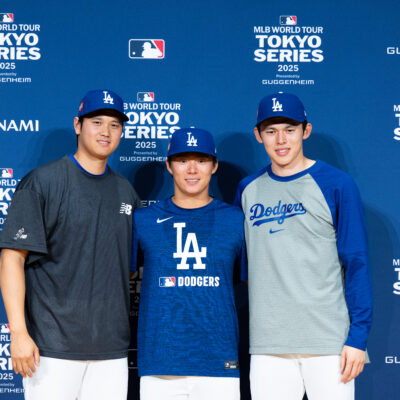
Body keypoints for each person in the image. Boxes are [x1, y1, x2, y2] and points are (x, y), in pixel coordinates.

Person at [0, 89, 141, 400]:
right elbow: (12, 257)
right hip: (51, 348)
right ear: (78, 125)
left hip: (111, 349)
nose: (106, 131)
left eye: (115, 125)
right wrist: (19, 334)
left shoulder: (125, 192)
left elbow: (128, 271)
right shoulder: (43, 182)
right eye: (97, 121)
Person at [234, 93, 372, 400]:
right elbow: (244, 268)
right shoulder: (247, 190)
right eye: (271, 131)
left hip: (329, 345)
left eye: (290, 129)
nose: (281, 139)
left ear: (305, 131)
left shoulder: (337, 184)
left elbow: (357, 263)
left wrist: (358, 337)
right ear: (258, 136)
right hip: (269, 347)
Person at [132, 128, 247, 400]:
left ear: (214, 166)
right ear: (169, 166)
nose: (192, 169)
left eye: (202, 160)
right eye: (183, 160)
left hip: (219, 362)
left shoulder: (236, 220)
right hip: (160, 363)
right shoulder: (143, 220)